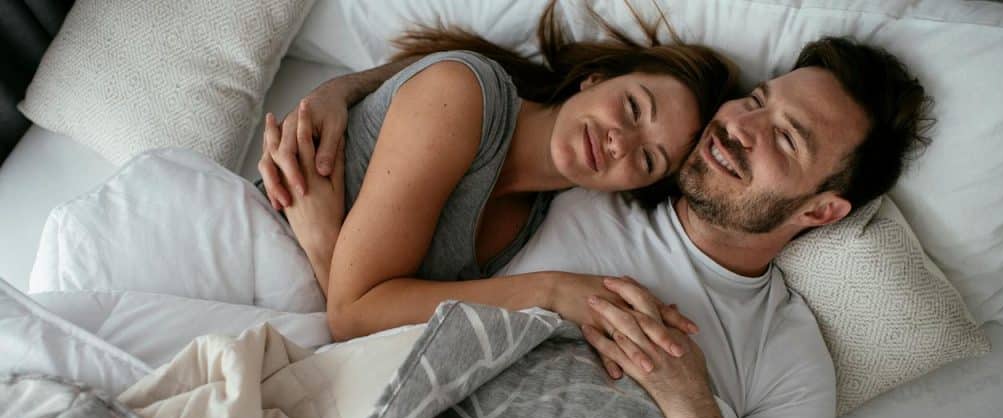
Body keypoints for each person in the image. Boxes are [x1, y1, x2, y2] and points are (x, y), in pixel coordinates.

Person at [262, 29, 933, 418]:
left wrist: (695, 414)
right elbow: (467, 97)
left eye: (786, 138)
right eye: (756, 100)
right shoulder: (585, 175)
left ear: (820, 210)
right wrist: (338, 94)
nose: (741, 127)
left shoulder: (788, 353)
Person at [257, 2, 736, 345]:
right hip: (248, 242)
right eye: (632, 107)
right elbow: (353, 317)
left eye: (648, 160)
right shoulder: (463, 93)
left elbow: (365, 322)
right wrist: (551, 291)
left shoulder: (532, 220)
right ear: (596, 78)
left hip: (285, 313)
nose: (620, 142)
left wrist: (324, 244)